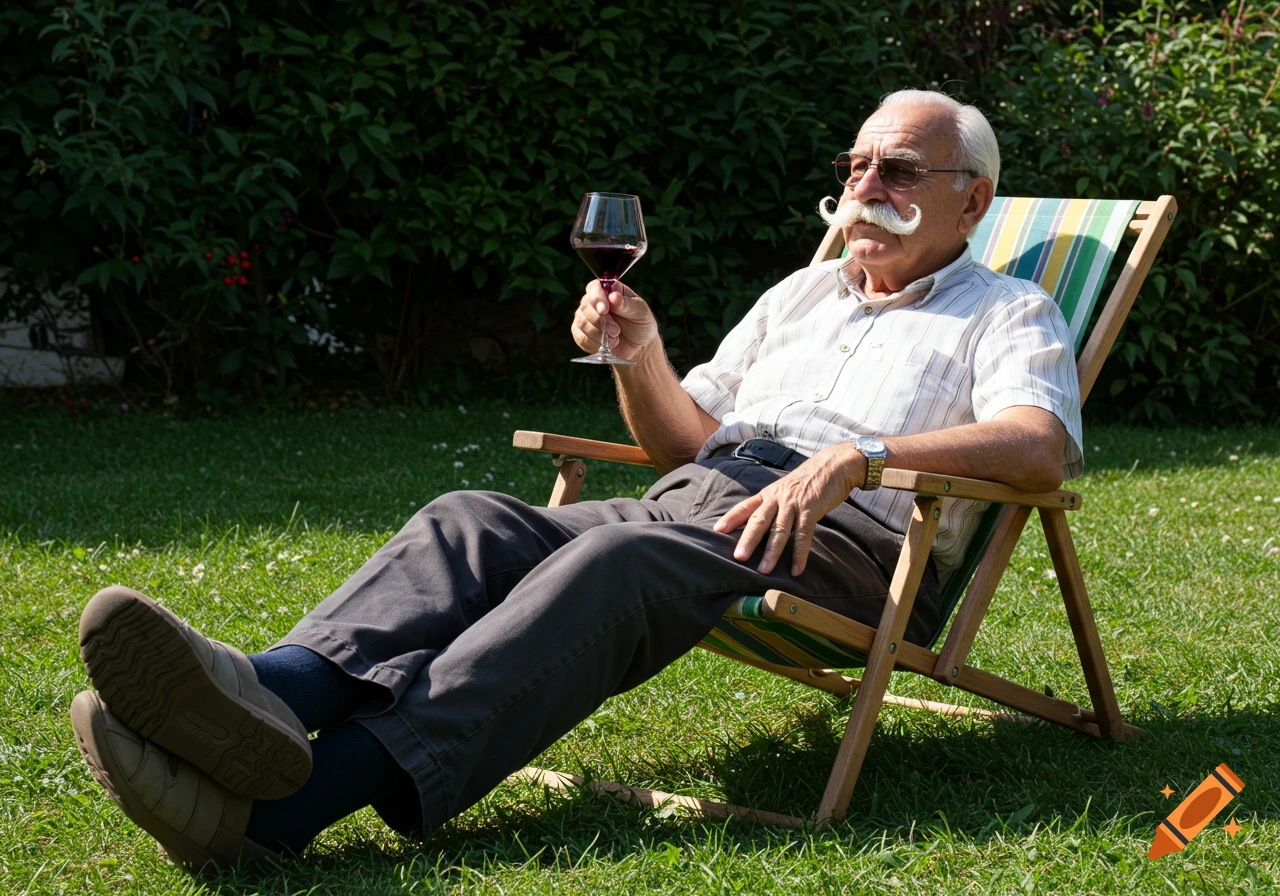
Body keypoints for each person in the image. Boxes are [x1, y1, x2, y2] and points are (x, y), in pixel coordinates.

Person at [69, 89, 1083, 871]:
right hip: (702, 499)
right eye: (855, 164)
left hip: (844, 537)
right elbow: (682, 440)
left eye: (898, 168)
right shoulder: (800, 292)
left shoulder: (1005, 309)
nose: (865, 186)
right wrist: (638, 355)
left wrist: (854, 458)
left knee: (617, 558)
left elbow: (1038, 443)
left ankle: (285, 809)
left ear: (972, 198)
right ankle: (263, 694)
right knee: (467, 520)